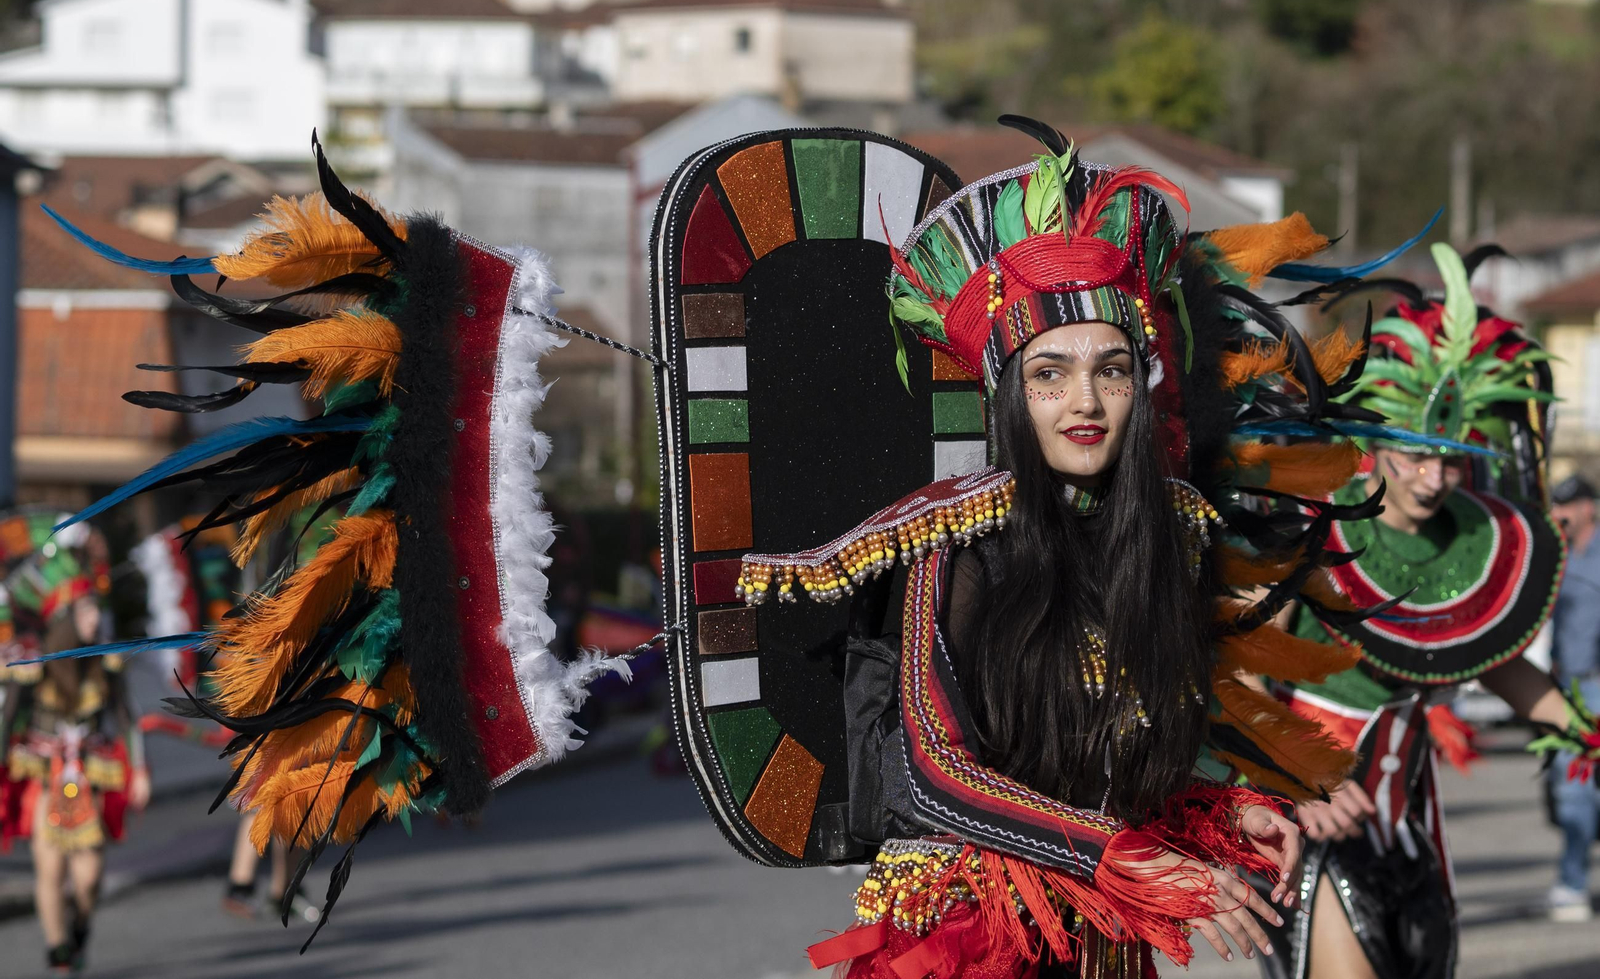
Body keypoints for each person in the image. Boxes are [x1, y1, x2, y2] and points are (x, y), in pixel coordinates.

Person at [32, 120, 1491, 971]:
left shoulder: (1164, 535)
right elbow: (925, 759)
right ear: (1005, 391)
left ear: (1145, 379)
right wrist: (1122, 854)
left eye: (1108, 369)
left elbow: (1133, 741)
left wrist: (1235, 819)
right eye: (1050, 375)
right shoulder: (946, 538)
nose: (1085, 399)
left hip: (1101, 929)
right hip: (966, 937)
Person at [1254, 245, 1599, 979]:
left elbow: (1498, 666)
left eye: (1448, 457)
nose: (1434, 476)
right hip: (1309, 811)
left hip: (1409, 823)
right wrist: (1300, 778)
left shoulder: (1468, 538)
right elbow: (1238, 671)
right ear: (1378, 444)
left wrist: (1588, 734)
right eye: (1415, 455)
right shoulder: (1313, 522)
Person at [1, 530, 150, 974]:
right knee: (49, 872)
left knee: (88, 879)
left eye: (95, 609)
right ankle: (57, 952)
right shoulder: (31, 667)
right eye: (85, 609)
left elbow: (128, 717)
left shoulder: (106, 661)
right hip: (44, 773)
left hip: (90, 772)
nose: (94, 618)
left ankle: (80, 928)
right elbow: (7, 723)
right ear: (64, 614)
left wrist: (139, 770)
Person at [1546, 474, 1600, 922]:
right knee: (1570, 790)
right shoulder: (1558, 555)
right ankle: (1573, 882)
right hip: (1569, 688)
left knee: (1578, 789)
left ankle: (1573, 882)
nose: (1559, 514)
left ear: (1588, 507)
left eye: (1566, 506)